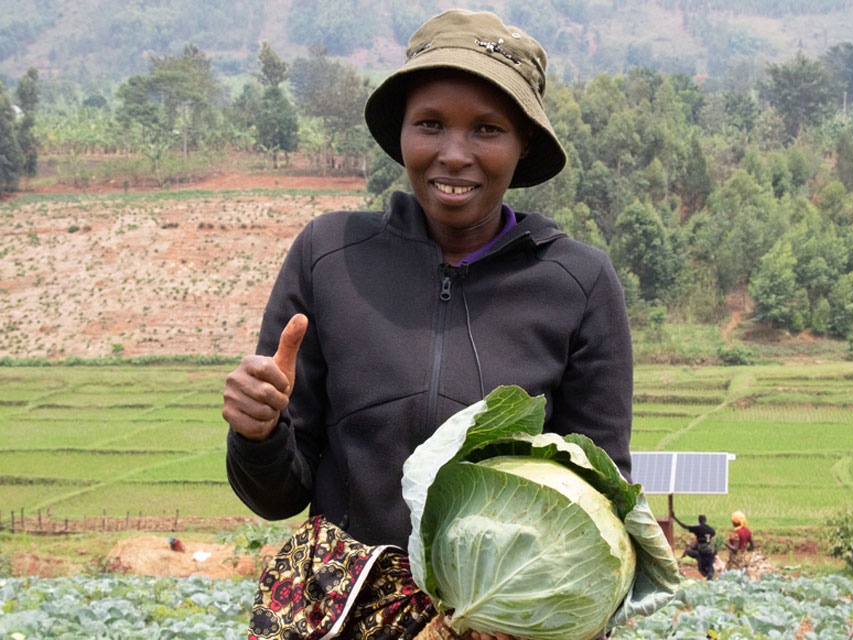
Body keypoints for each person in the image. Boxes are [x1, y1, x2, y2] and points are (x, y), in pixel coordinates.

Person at [222, 9, 634, 640]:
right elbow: (277, 496)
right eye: (430, 124)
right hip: (341, 615)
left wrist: (523, 610)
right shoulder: (329, 256)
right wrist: (258, 432)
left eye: (488, 129)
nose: (455, 154)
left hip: (497, 624)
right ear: (402, 132)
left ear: (523, 143)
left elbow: (600, 493)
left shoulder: (577, 282)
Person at [673, 513, 716, 580]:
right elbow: (712, 536)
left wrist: (675, 518)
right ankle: (711, 578)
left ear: (699, 520)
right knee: (710, 567)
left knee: (701, 568)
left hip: (702, 552)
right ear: (705, 520)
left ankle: (708, 578)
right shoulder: (711, 529)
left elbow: (685, 526)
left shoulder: (697, 528)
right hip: (711, 551)